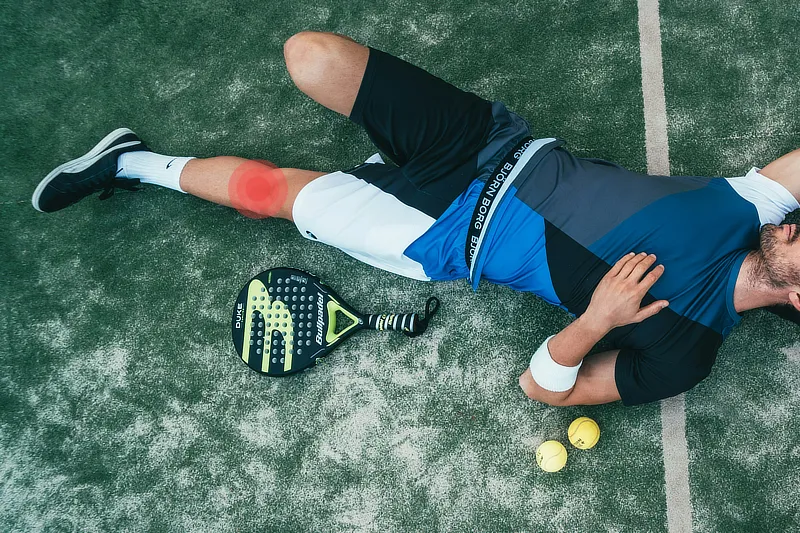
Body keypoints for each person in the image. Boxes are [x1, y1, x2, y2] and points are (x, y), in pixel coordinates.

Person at [31, 32, 800, 406]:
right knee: (312, 56)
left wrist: (596, 319)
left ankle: (129, 163)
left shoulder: (687, 351)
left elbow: (544, 389)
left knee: (271, 191)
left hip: (435, 237)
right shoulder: (758, 205)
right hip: (486, 143)